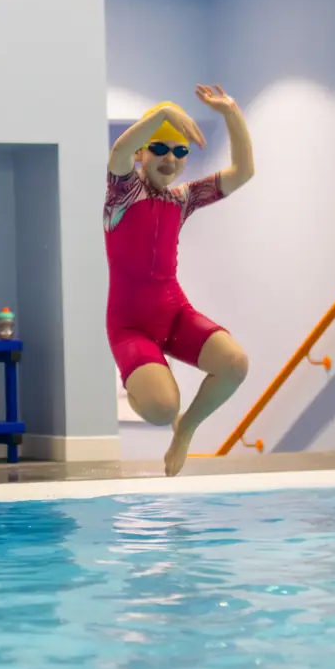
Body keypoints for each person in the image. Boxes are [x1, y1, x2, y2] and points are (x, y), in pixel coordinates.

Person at [105, 86, 254, 477]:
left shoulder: (182, 199)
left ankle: (186, 428)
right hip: (130, 327)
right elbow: (119, 150)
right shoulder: (123, 193)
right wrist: (165, 112)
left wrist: (232, 113)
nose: (170, 159)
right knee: (161, 409)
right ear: (142, 153)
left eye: (180, 151)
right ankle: (146, 392)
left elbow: (243, 172)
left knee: (234, 364)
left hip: (174, 314)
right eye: (159, 148)